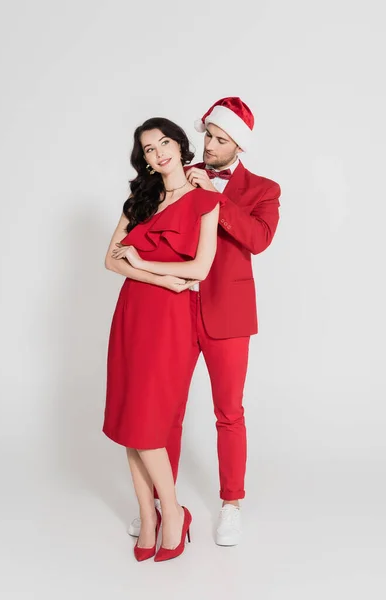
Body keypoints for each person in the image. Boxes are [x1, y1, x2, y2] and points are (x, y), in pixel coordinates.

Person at [126, 97, 281, 546]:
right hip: (170, 309)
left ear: (239, 146)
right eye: (207, 135)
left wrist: (214, 197)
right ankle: (163, 504)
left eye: (220, 139)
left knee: (228, 413)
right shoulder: (184, 176)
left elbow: (258, 239)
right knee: (164, 411)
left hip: (228, 316)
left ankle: (231, 504)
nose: (209, 145)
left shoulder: (263, 190)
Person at [103, 117, 224, 562]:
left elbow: (200, 268)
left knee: (148, 420)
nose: (158, 153)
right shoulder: (140, 199)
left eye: (164, 142)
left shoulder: (203, 200)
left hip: (169, 321)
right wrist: (154, 274)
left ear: (179, 145)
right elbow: (111, 260)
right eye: (149, 150)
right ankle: (149, 517)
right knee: (130, 424)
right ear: (146, 162)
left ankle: (173, 513)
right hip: (131, 314)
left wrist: (151, 270)